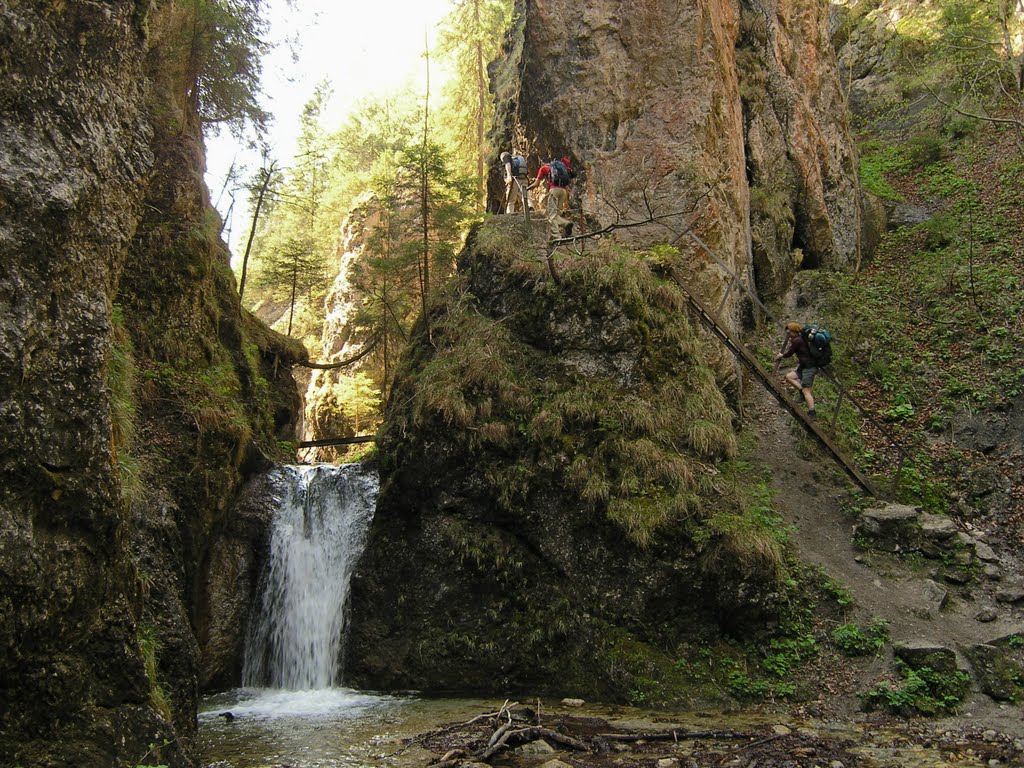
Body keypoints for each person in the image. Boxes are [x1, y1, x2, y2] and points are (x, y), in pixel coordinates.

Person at [776, 321, 817, 419]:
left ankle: (812, 413)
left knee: (807, 391)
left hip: (809, 368)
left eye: (789, 333)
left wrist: (781, 355)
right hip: (803, 367)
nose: (788, 335)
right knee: (789, 377)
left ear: (794, 332)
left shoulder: (797, 340)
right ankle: (801, 392)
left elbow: (790, 353)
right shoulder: (800, 338)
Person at [531, 156, 574, 239]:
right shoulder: (562, 168)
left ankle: (557, 237)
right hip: (563, 192)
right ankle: (566, 223)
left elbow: (536, 184)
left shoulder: (543, 168)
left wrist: (527, 188)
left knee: (551, 216)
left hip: (554, 191)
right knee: (556, 214)